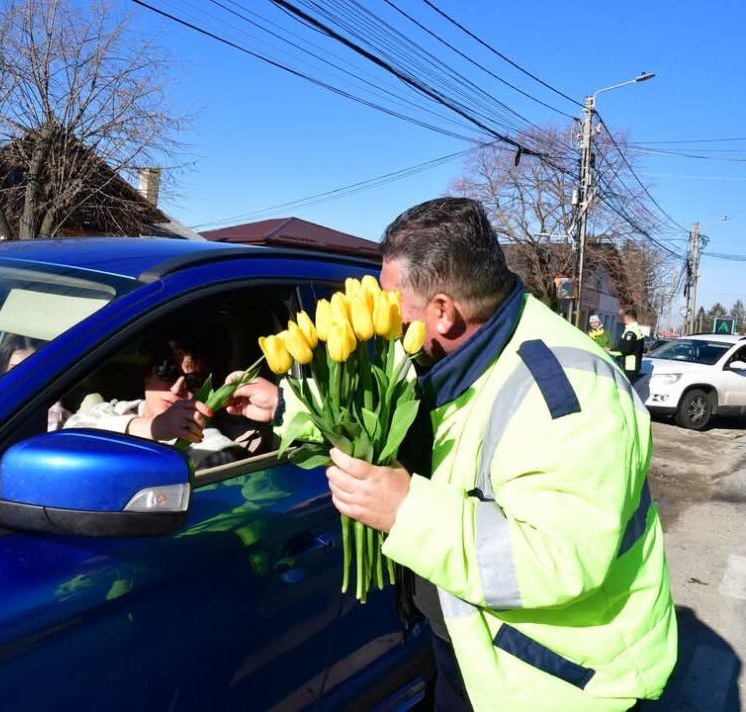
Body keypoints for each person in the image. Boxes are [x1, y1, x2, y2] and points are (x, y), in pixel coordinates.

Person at [228, 197, 676, 711]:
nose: (389, 315)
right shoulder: (458, 358)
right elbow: (394, 420)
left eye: (396, 301)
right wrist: (286, 405)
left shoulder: (565, 393)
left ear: (443, 311)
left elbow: (558, 561)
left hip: (556, 684)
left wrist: (405, 510)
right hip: (474, 652)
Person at [65, 330, 246, 469]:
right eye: (167, 371)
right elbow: (65, 439)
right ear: (148, 375)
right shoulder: (112, 412)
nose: (176, 389)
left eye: (194, 381)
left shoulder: (213, 453)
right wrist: (153, 427)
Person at [618, 307, 645, 381]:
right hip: (632, 365)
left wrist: (609, 350)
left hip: (629, 365)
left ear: (628, 319)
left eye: (625, 320)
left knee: (626, 388)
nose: (624, 321)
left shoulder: (631, 331)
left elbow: (625, 349)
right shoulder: (637, 330)